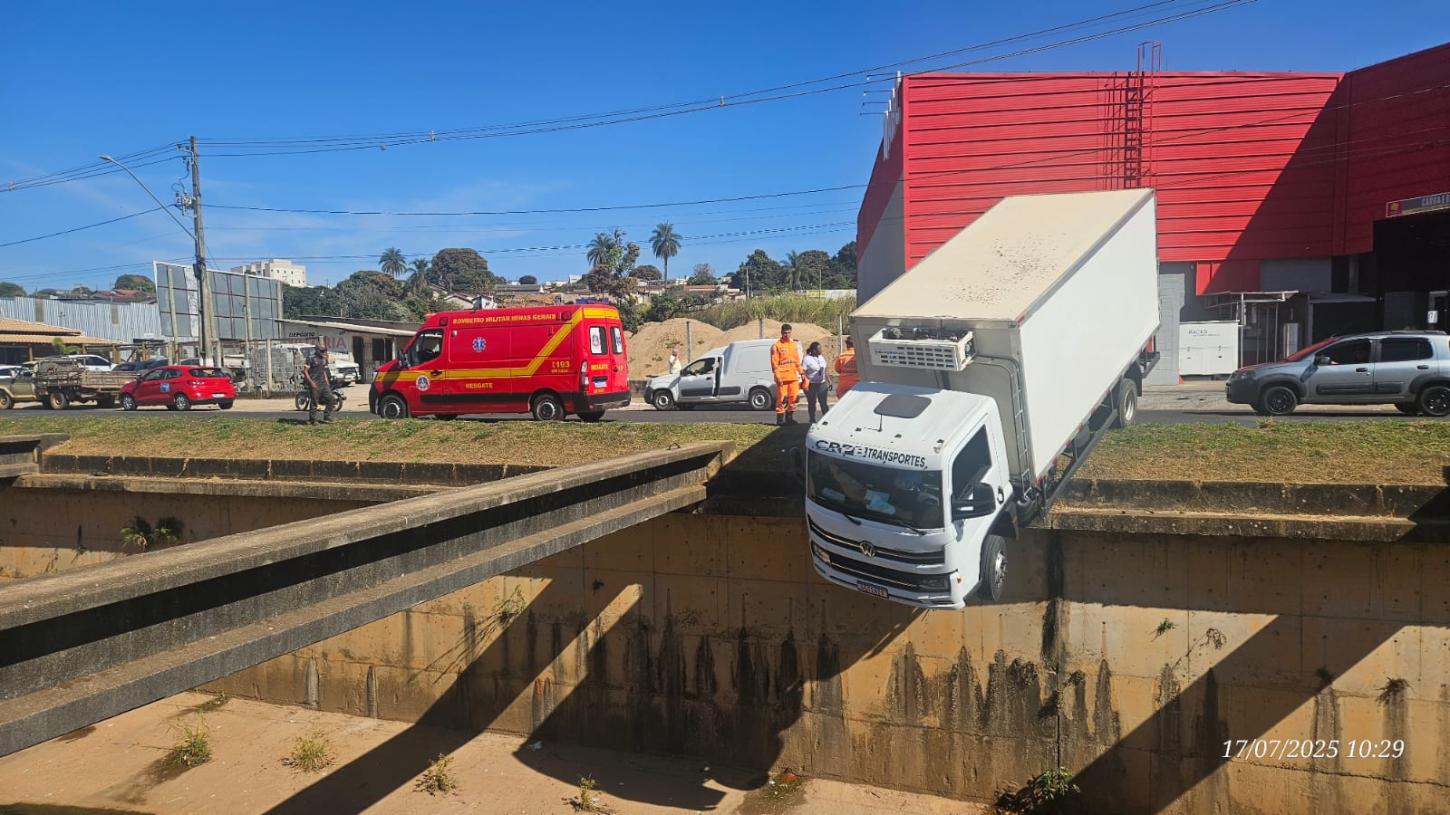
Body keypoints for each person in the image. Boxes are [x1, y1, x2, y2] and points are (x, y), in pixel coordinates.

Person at [770, 323, 804, 425]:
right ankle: (780, 420)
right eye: (785, 333)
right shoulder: (776, 346)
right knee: (782, 399)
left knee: (794, 398)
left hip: (793, 377)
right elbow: (774, 364)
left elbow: (797, 361)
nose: (787, 335)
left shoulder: (793, 345)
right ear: (781, 333)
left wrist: (801, 373)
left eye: (789, 333)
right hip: (782, 378)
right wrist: (778, 377)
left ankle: (789, 418)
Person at [302, 345, 336, 425]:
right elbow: (305, 371)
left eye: (324, 351)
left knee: (331, 399)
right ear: (317, 351)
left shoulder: (323, 360)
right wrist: (311, 382)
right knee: (314, 402)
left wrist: (326, 381)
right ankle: (312, 420)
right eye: (322, 351)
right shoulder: (310, 359)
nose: (323, 352)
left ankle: (327, 416)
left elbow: (323, 370)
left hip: (323, 383)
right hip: (315, 384)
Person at [802, 341, 830, 423]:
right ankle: (812, 419)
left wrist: (829, 380)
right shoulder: (807, 359)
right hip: (811, 385)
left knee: (824, 403)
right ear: (814, 350)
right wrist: (805, 383)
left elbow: (825, 369)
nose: (821, 350)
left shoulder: (821, 357)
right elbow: (803, 372)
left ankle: (826, 420)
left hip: (822, 384)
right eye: (819, 348)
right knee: (812, 403)